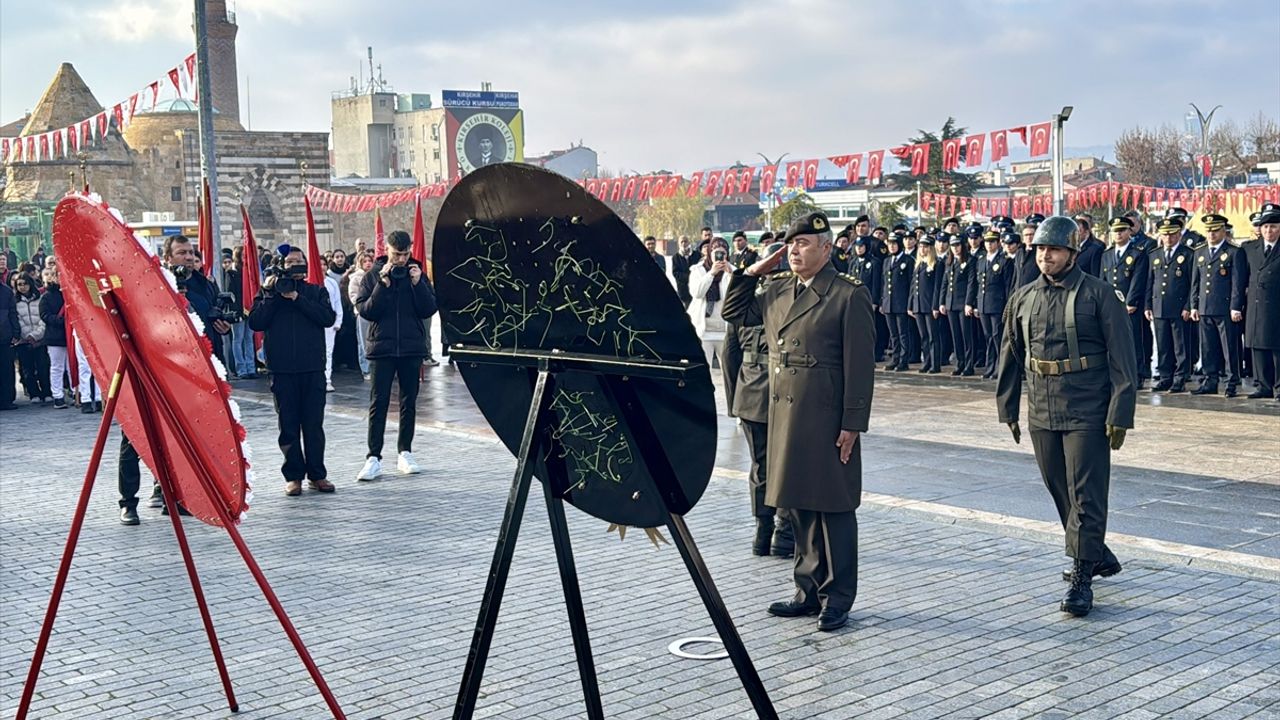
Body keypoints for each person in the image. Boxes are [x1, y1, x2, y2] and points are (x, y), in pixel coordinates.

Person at [723, 212, 876, 633]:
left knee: (834, 507)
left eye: (804, 243)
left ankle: (837, 596)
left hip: (826, 415)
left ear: (826, 249)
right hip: (786, 416)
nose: (793, 250)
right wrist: (752, 270)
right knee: (797, 504)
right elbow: (734, 310)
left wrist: (853, 423)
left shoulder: (847, 294)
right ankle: (806, 589)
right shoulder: (776, 290)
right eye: (790, 244)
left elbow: (860, 365)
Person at [996, 215, 1137, 618]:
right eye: (1041, 249)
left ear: (1073, 253)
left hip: (1087, 407)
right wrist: (1008, 406)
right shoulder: (1023, 297)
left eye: (1054, 249)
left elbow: (1123, 359)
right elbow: (1010, 353)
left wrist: (1120, 412)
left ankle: (1081, 577)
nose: (1046, 256)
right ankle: (1096, 553)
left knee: (1086, 493)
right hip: (1042, 406)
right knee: (1058, 487)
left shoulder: (1099, 295)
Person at [722, 241, 793, 558]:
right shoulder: (790, 302)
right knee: (787, 464)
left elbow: (729, 356)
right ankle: (784, 531)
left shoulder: (747, 304)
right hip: (784, 394)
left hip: (750, 394)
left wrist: (735, 402)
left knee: (760, 466)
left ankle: (762, 532)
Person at [248, 246, 337, 496]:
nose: (294, 266)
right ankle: (293, 476)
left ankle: (317, 475)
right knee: (288, 425)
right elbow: (255, 322)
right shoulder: (270, 292)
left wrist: (298, 298)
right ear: (281, 265)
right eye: (289, 262)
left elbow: (327, 318)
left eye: (299, 261)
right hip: (282, 369)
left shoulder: (316, 291)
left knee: (313, 425)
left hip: (312, 367)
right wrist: (271, 294)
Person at [354, 229, 438, 481]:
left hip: (411, 348)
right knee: (378, 402)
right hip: (382, 348)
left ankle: (405, 452)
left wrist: (417, 284)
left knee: (408, 402)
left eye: (405, 254)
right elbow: (366, 311)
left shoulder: (417, 273)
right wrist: (382, 285)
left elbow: (429, 309)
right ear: (387, 250)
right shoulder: (373, 275)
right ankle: (373, 457)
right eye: (396, 254)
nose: (401, 260)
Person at [1189, 214, 1247, 397]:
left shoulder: (1234, 252)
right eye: (1208, 230)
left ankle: (1231, 382)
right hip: (1205, 307)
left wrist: (1236, 306)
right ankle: (1210, 380)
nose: (1211, 234)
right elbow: (1195, 282)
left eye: (1215, 230)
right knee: (1207, 347)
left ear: (1223, 231)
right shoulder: (1199, 251)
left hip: (1225, 308)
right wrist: (1194, 305)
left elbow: (1238, 283)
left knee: (1229, 348)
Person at [1100, 217, 1150, 389]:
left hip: (1130, 306)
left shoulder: (1137, 253)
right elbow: (1102, 281)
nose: (1118, 234)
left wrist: (1131, 301)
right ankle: (1117, 374)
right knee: (1113, 341)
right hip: (1111, 306)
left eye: (1122, 230)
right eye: (1115, 231)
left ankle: (1137, 374)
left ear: (1129, 232)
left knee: (1134, 341)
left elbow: (1138, 280)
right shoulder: (1107, 255)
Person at [1147, 219, 1195, 393]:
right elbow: (1150, 282)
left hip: (1179, 307)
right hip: (1159, 306)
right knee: (1163, 345)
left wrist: (1188, 306)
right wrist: (1147, 305)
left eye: (1172, 234)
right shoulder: (1154, 254)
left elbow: (1193, 283)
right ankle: (1165, 377)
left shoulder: (1188, 254)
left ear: (1179, 235)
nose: (1168, 238)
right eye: (1165, 234)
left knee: (1180, 346)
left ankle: (1180, 378)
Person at [1242, 203, 1280, 402]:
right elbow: (1241, 279)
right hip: (1255, 305)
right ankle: (1263, 385)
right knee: (1257, 346)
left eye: (1273, 226)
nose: (1268, 230)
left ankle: (1279, 387)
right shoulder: (1249, 248)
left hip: (1276, 305)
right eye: (1265, 226)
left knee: (1277, 348)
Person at [967, 230, 1014, 379]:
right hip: (983, 304)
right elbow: (977, 284)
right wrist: (975, 304)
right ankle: (991, 366)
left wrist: (1007, 306)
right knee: (988, 337)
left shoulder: (1004, 260)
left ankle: (1000, 367)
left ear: (998, 243)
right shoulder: (981, 260)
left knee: (997, 336)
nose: (989, 244)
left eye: (992, 242)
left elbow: (1007, 286)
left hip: (997, 304)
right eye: (987, 242)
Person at [687, 236, 732, 372]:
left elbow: (735, 296)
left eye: (723, 253)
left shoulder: (732, 271)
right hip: (703, 330)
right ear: (709, 253)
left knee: (728, 371)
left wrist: (730, 274)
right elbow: (697, 293)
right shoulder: (697, 270)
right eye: (716, 253)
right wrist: (711, 274)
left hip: (725, 330)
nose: (719, 256)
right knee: (702, 371)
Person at [939, 236, 976, 375]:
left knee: (966, 336)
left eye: (957, 245)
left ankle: (969, 365)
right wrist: (942, 302)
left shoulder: (970, 260)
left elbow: (971, 283)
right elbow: (945, 283)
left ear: (962, 246)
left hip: (963, 303)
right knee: (956, 336)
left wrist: (969, 303)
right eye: (953, 246)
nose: (955, 248)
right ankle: (960, 363)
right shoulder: (949, 261)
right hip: (951, 303)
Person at [11, 274, 49, 403]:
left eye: (25, 284)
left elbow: (43, 318)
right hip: (24, 340)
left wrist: (36, 334)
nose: (23, 287)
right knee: (27, 369)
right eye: (19, 284)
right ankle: (34, 393)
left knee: (43, 366)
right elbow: (17, 320)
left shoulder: (40, 299)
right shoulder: (15, 301)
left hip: (40, 339)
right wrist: (26, 335)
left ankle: (46, 392)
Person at [908, 236, 944, 374]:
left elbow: (937, 287)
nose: (923, 249)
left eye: (926, 247)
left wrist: (935, 306)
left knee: (933, 335)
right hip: (918, 305)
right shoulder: (919, 264)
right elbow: (913, 286)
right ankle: (927, 362)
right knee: (924, 336)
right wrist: (910, 304)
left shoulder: (936, 264)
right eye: (921, 246)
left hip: (929, 305)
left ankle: (935, 364)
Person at [880, 231, 913, 371]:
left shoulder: (908, 260)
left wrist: (910, 303)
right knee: (893, 334)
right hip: (889, 303)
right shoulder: (887, 261)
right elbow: (883, 283)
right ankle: (895, 358)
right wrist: (882, 301)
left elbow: (911, 284)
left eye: (894, 244)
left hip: (901, 302)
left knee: (903, 333)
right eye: (890, 244)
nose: (892, 246)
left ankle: (903, 360)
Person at [39, 268, 69, 409]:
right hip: (55, 336)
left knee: (72, 367)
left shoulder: (68, 293)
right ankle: (58, 395)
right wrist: (59, 321)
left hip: (68, 335)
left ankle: (76, 391)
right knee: (57, 367)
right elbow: (44, 315)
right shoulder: (46, 297)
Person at [346, 252, 374, 379]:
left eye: (370, 261)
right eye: (365, 261)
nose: (368, 263)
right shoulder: (356, 278)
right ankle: (366, 369)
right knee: (364, 342)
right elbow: (353, 296)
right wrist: (364, 305)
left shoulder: (375, 275)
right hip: (363, 312)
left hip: (376, 312)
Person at [0, 278, 18, 411]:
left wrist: (16, 332)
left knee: (6, 369)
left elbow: (13, 313)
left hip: (5, 336)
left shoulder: (6, 291)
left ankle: (7, 399)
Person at [671, 235, 696, 307]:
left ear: (689, 242)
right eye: (681, 242)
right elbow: (675, 273)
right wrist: (688, 277)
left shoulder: (696, 254)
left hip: (696, 288)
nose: (684, 243)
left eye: (685, 241)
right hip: (683, 289)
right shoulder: (675, 257)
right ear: (678, 244)